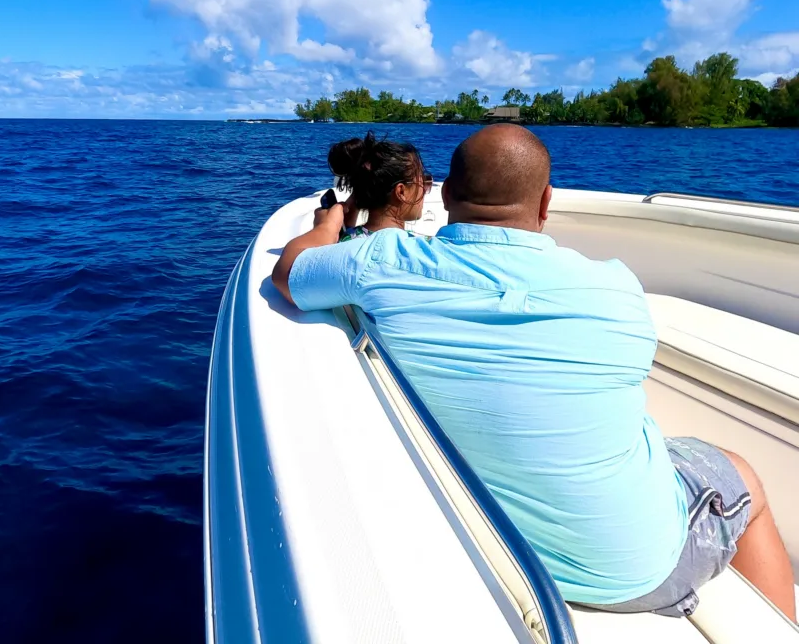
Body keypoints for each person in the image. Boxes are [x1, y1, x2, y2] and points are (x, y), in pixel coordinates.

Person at [271, 124, 796, 621]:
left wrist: (325, 226)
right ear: (547, 202)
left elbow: (289, 273)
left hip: (490, 549)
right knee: (742, 474)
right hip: (635, 574)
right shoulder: (615, 290)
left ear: (447, 195)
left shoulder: (378, 262)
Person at [325, 132, 432, 241]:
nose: (425, 189)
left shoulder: (343, 240)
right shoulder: (429, 248)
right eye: (423, 182)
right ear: (401, 192)